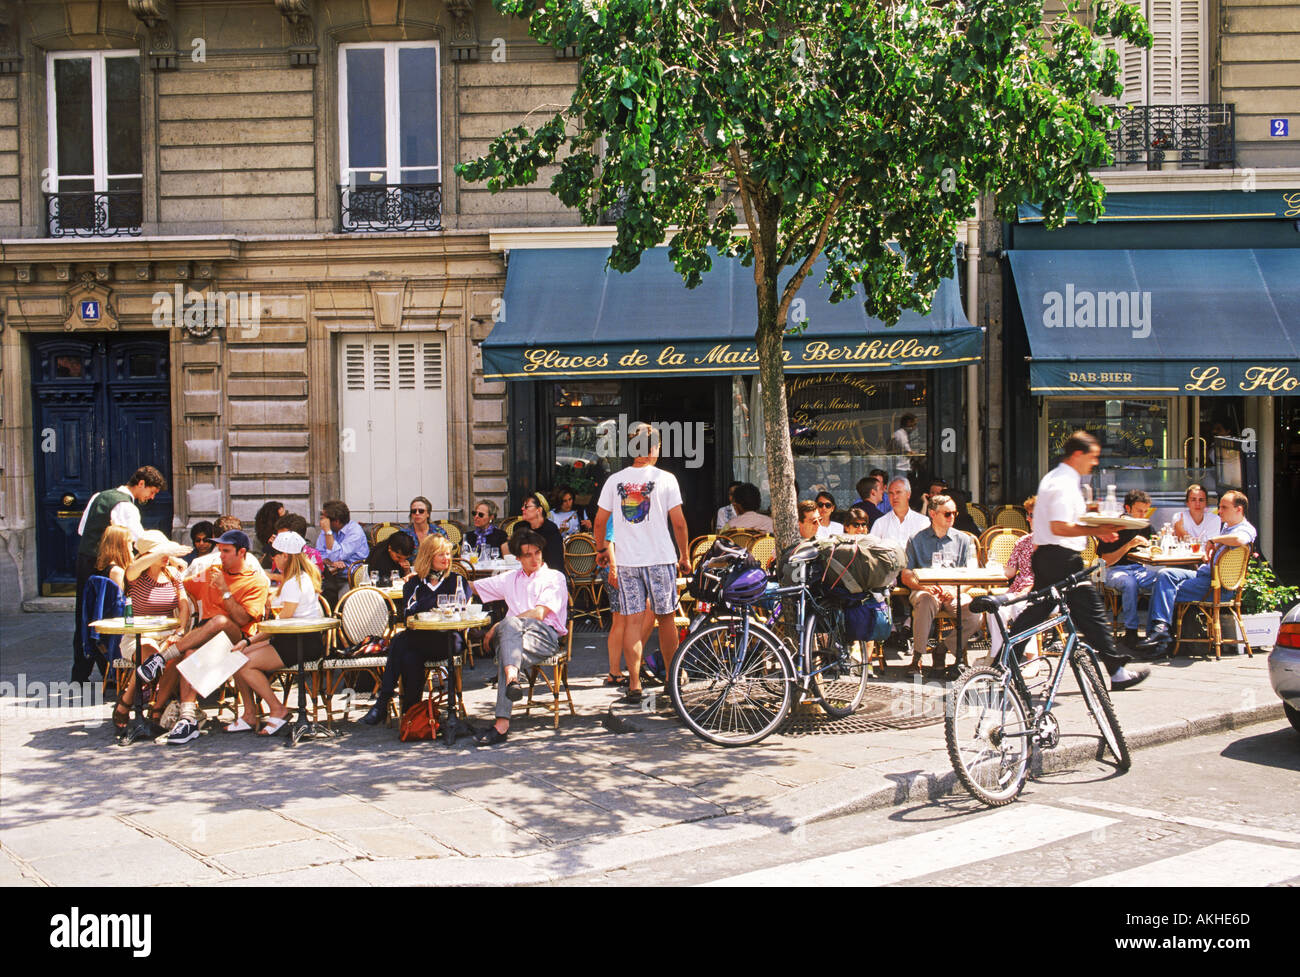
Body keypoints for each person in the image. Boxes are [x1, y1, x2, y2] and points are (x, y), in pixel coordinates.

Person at [1011, 431, 1147, 691]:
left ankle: (1002, 663)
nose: (1095, 462)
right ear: (1077, 454)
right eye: (1092, 456)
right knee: (1090, 611)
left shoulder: (1059, 479)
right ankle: (1116, 671)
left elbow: (1065, 522)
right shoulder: (1062, 482)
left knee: (1040, 611)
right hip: (1060, 556)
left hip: (1052, 556)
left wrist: (1098, 528)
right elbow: (1060, 526)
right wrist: (1096, 530)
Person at [593, 422, 691, 703]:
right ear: (653, 449)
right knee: (666, 619)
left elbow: (600, 521)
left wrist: (601, 548)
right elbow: (679, 524)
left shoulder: (615, 481)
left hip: (626, 561)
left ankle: (634, 684)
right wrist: (684, 556)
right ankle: (672, 681)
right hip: (661, 559)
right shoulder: (666, 479)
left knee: (632, 622)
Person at [149, 530, 271, 744]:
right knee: (190, 652)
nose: (220, 555)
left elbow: (243, 620)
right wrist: (168, 565)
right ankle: (187, 718)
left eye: (226, 551)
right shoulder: (212, 571)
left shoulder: (256, 580)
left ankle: (163, 657)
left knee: (220, 622)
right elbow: (181, 585)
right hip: (209, 639)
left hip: (240, 639)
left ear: (242, 552)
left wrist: (225, 591)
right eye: (219, 550)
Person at [468, 529, 569, 745]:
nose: (534, 558)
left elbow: (540, 614)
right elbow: (473, 588)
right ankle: (512, 681)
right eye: (528, 555)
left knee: (509, 635)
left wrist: (500, 625)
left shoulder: (554, 578)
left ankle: (502, 722)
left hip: (543, 636)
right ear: (518, 558)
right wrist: (436, 575)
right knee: (509, 644)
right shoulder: (510, 578)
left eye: (537, 552)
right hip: (514, 640)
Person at [1135, 490, 1257, 659]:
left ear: (1239, 509)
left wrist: (1214, 540)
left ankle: (1158, 640)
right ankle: (1160, 633)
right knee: (1165, 574)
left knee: (1161, 588)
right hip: (1204, 577)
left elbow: (1240, 540)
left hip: (1216, 586)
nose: (1219, 511)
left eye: (1224, 507)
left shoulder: (1245, 529)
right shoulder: (1228, 527)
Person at [72, 465, 167, 682]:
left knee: (86, 615)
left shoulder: (99, 496)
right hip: (107, 566)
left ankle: (80, 674)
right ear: (141, 483)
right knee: (112, 616)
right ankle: (115, 672)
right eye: (151, 492)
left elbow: (81, 530)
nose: (151, 498)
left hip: (85, 561)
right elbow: (140, 540)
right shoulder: (126, 506)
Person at [361, 536, 469, 725]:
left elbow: (460, 608)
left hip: (449, 639)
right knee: (410, 657)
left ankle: (382, 702)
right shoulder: (414, 583)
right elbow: (410, 613)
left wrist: (429, 604)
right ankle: (412, 717)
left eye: (448, 554)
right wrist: (438, 604)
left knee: (400, 641)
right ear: (428, 556)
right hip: (422, 638)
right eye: (440, 554)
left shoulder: (457, 581)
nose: (446, 558)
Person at [225, 531, 324, 735]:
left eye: (275, 554)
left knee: (243, 663)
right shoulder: (298, 578)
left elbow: (281, 623)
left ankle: (277, 708)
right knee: (237, 659)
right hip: (296, 638)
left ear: (285, 556)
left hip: (298, 641)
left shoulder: (293, 583)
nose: (273, 558)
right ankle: (251, 713)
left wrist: (248, 641)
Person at [111, 530, 192, 734]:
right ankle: (128, 699)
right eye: (160, 553)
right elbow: (132, 570)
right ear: (148, 555)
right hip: (139, 635)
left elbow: (184, 606)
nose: (166, 556)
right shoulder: (135, 575)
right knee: (152, 658)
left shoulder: (172, 574)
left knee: (175, 655)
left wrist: (181, 631)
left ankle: (156, 708)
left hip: (167, 634)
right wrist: (162, 552)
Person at [899, 495, 982, 673]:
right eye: (947, 513)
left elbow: (972, 574)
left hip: (954, 590)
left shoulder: (963, 540)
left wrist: (955, 589)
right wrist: (923, 587)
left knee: (976, 613)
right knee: (926, 601)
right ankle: (917, 657)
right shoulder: (916, 539)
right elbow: (906, 575)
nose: (952, 517)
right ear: (932, 513)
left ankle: (943, 648)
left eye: (954, 513)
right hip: (925, 589)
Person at [985, 496, 1043, 669]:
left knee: (1022, 608)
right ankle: (998, 656)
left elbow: (1051, 575)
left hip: (1041, 591)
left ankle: (1033, 659)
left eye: (1031, 515)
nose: (1027, 518)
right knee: (994, 609)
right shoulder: (1022, 542)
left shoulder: (1052, 544)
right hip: (1017, 591)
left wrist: (1029, 588)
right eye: (1028, 515)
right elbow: (1009, 571)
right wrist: (991, 570)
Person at [1097, 489, 1157, 646]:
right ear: (1127, 508)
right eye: (1139, 511)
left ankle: (1156, 630)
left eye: (1146, 511)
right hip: (1113, 570)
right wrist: (1129, 545)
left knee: (1163, 580)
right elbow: (1104, 561)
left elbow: (1155, 548)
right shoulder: (1114, 528)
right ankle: (1131, 632)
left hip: (1139, 569)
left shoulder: (1146, 526)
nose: (1143, 515)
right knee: (1129, 584)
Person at [318, 500, 368, 604]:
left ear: (336, 521)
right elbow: (318, 554)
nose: (321, 521)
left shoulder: (355, 531)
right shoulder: (326, 530)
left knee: (343, 602)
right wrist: (331, 563)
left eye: (324, 518)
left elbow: (337, 555)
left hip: (351, 578)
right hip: (330, 576)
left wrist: (328, 532)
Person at [504, 492, 565, 572]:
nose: (522, 509)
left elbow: (555, 562)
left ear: (539, 510)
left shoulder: (550, 529)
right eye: (523, 506)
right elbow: (515, 554)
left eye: (526, 507)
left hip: (546, 573)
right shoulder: (519, 527)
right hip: (523, 572)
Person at [871, 477, 930, 545]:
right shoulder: (880, 523)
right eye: (891, 493)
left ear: (908, 494)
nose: (894, 497)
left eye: (898, 492)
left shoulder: (922, 522)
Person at [253, 500, 286, 569]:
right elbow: (256, 565)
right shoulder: (259, 538)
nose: (285, 521)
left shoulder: (290, 534)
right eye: (281, 519)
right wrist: (269, 549)